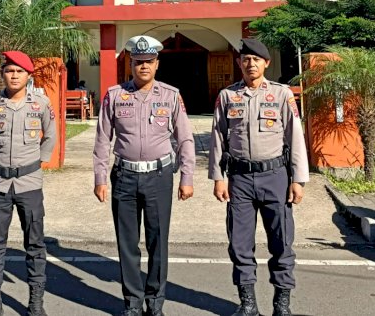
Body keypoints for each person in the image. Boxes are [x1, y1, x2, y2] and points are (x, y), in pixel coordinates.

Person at [93, 36, 195, 316]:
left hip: (159, 176)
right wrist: (100, 178)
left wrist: (187, 177)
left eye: (149, 62)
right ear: (130, 63)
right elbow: (103, 139)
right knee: (127, 243)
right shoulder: (114, 95)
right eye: (138, 62)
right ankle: (133, 302)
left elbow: (185, 139)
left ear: (157, 64)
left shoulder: (171, 95)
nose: (143, 66)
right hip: (124, 176)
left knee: (157, 241)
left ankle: (156, 301)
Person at [209, 39, 309, 316]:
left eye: (256, 59)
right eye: (245, 59)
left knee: (281, 242)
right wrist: (218, 176)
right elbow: (218, 136)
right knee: (239, 244)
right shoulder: (228, 96)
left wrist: (298, 179)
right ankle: (248, 304)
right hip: (239, 179)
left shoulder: (281, 94)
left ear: (267, 63)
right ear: (239, 63)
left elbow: (295, 137)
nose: (250, 63)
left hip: (275, 176)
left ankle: (282, 304)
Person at [0, 50, 56, 316]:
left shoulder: (41, 104)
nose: (14, 75)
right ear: (3, 74)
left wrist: (35, 164)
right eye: (9, 70)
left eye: (19, 71)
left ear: (28, 75)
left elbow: (50, 137)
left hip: (30, 184)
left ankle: (36, 304)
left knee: (34, 245)